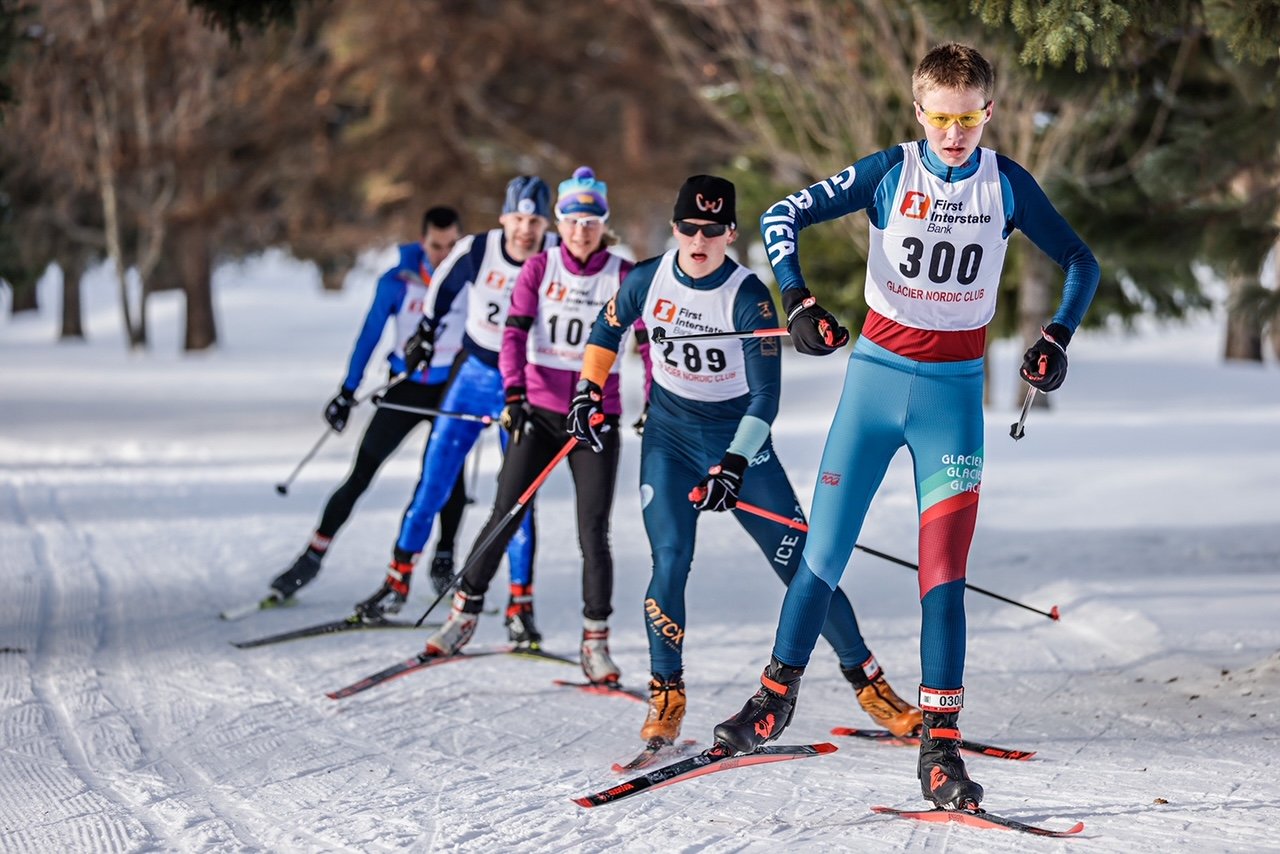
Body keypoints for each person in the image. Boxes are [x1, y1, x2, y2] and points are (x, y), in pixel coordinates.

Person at [713, 43, 1100, 811]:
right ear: (917, 112)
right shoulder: (889, 170)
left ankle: (940, 748)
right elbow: (779, 214)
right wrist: (796, 298)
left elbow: (1082, 262)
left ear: (989, 112)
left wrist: (1056, 336)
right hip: (875, 383)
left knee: (943, 576)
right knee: (820, 553)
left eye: (969, 118)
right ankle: (773, 699)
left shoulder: (1008, 185)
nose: (954, 133)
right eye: (941, 117)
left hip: (952, 399)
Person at [567, 175, 923, 752]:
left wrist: (733, 465)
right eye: (688, 228)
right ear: (674, 227)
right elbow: (608, 327)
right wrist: (587, 390)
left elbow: (765, 397)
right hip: (670, 441)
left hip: (742, 443)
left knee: (807, 565)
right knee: (671, 559)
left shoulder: (748, 295)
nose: (699, 240)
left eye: (712, 230)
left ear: (730, 233)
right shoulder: (645, 279)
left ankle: (870, 684)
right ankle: (666, 692)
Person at [426, 167, 650, 681]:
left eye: (591, 222)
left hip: (594, 419)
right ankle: (464, 615)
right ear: (559, 222)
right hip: (540, 412)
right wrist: (513, 393)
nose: (581, 231)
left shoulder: (622, 273)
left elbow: (647, 343)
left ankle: (595, 642)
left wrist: (653, 399)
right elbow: (513, 336)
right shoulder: (539, 268)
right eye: (573, 221)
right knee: (506, 512)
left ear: (602, 224)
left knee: (593, 531)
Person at [357, 176, 557, 641]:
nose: (526, 229)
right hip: (474, 376)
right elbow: (440, 291)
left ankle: (519, 605)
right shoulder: (478, 249)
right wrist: (424, 334)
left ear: (546, 223)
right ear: (504, 217)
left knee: (518, 499)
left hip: (525, 384)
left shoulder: (556, 255)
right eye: (519, 219)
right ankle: (396, 581)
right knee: (434, 481)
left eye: (535, 220)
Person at [268, 207, 469, 602]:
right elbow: (370, 335)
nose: (443, 255)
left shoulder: (472, 278)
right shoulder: (398, 281)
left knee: (449, 480)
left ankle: (443, 562)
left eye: (451, 246)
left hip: (452, 390)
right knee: (362, 471)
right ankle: (311, 557)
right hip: (406, 387)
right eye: (435, 246)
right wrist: (347, 390)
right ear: (422, 241)